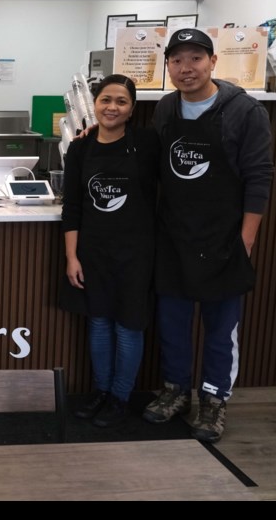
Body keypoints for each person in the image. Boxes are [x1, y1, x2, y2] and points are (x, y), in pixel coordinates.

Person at [142, 28, 273, 444]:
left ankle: (215, 400)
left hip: (223, 239)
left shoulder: (244, 111)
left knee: (221, 327)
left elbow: (259, 179)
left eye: (195, 58)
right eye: (177, 60)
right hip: (175, 236)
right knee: (173, 322)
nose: (186, 69)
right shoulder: (165, 109)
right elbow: (152, 167)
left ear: (213, 62)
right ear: (169, 66)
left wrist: (245, 241)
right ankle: (177, 390)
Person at [60, 74, 160, 427]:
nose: (112, 107)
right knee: (99, 324)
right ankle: (101, 390)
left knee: (128, 327)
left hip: (137, 253)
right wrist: (72, 257)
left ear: (132, 109)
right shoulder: (80, 147)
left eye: (121, 101)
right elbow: (71, 206)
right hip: (93, 251)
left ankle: (120, 396)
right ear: (94, 104)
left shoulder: (148, 144)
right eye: (106, 100)